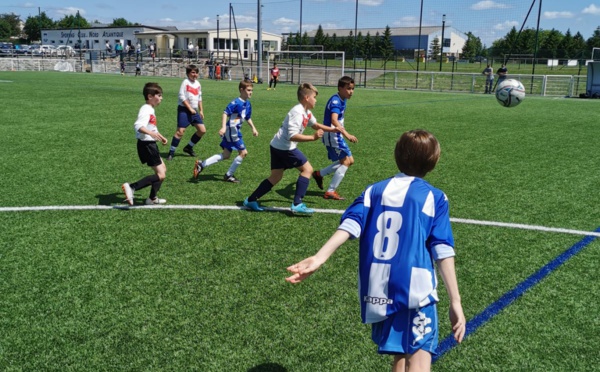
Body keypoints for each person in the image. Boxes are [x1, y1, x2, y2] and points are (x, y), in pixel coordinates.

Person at [286, 129, 466, 370]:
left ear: (396, 156)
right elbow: (442, 250)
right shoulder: (434, 197)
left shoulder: (374, 190)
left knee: (400, 357)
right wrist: (455, 300)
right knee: (420, 359)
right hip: (416, 291)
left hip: (378, 289)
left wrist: (320, 257)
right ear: (433, 162)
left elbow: (350, 225)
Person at [243, 83, 338, 215]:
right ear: (306, 98)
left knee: (276, 177)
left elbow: (315, 125)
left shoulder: (306, 113)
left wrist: (333, 129)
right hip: (285, 148)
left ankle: (250, 200)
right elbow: (292, 136)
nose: (316, 100)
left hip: (277, 145)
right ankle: (297, 204)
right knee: (308, 170)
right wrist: (313, 137)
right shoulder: (297, 112)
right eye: (314, 97)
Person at [194, 80, 258, 183]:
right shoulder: (236, 102)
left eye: (252, 90)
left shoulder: (248, 104)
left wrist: (253, 128)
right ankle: (228, 175)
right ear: (241, 90)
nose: (251, 92)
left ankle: (201, 165)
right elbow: (225, 113)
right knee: (243, 153)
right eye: (249, 90)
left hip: (235, 131)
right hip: (232, 132)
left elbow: (247, 117)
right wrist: (223, 127)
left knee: (226, 154)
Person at [121, 82, 168, 206]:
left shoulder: (150, 110)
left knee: (163, 169)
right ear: (150, 96)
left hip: (150, 143)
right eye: (159, 95)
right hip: (147, 145)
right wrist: (151, 134)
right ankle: (132, 187)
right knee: (161, 175)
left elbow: (151, 127)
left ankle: (152, 198)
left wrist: (160, 136)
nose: (161, 98)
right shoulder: (146, 109)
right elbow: (138, 126)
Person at [312, 76, 358, 201]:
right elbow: (333, 119)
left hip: (336, 133)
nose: (351, 91)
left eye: (352, 89)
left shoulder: (342, 99)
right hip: (332, 134)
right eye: (348, 89)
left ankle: (319, 174)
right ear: (340, 88)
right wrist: (347, 134)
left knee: (350, 160)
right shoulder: (336, 101)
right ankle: (330, 191)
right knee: (346, 162)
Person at [167, 64, 206, 160]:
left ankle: (188, 147)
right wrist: (190, 108)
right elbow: (181, 96)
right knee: (180, 131)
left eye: (196, 72)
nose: (195, 74)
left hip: (194, 111)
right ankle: (171, 152)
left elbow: (199, 98)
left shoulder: (198, 84)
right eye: (193, 72)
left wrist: (201, 110)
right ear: (188, 73)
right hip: (184, 110)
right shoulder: (185, 82)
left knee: (202, 130)